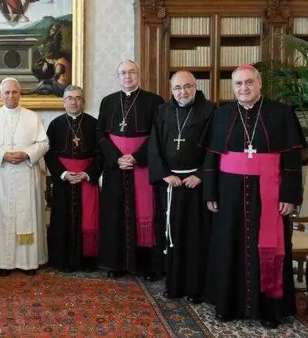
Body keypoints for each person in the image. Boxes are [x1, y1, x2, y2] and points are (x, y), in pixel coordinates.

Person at [201, 65, 305, 329]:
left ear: (259, 84)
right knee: (229, 245)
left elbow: (292, 159)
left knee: (270, 246)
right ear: (232, 87)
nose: (243, 88)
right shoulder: (222, 114)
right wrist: (210, 192)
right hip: (229, 192)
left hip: (269, 194)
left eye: (249, 82)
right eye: (238, 84)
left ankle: (270, 308)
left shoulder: (281, 113)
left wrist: (289, 194)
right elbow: (212, 157)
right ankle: (227, 304)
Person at [147, 71, 215, 303]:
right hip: (171, 184)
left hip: (196, 184)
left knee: (196, 236)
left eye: (187, 86)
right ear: (171, 90)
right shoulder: (163, 111)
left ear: (195, 86)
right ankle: (174, 285)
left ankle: (196, 289)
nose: (182, 92)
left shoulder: (211, 111)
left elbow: (215, 149)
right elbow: (154, 145)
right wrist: (165, 174)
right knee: (171, 235)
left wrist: (200, 175)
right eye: (177, 88)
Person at [97, 60, 165, 280]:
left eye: (132, 72)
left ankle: (147, 266)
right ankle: (118, 263)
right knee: (116, 213)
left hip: (142, 167)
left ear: (139, 75)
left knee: (146, 214)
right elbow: (100, 135)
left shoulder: (154, 101)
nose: (127, 76)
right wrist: (117, 158)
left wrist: (136, 157)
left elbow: (157, 135)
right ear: (118, 77)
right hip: (116, 168)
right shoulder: (108, 102)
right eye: (123, 73)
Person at [0, 77, 49, 276]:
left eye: (14, 92)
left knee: (27, 216)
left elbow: (43, 144)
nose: (10, 96)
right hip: (1, 175)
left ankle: (28, 262)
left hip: (26, 173)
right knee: (1, 217)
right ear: (0, 95)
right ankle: (2, 262)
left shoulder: (33, 117)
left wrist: (26, 154)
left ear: (20, 94)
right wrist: (3, 155)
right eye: (6, 92)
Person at [45, 85, 102, 272]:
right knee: (62, 220)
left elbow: (101, 154)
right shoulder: (55, 125)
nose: (74, 101)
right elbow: (49, 154)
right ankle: (62, 261)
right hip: (64, 180)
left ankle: (86, 262)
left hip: (86, 179)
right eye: (69, 98)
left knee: (88, 219)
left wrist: (87, 174)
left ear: (83, 102)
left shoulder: (94, 124)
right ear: (63, 102)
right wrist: (63, 174)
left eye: (78, 98)